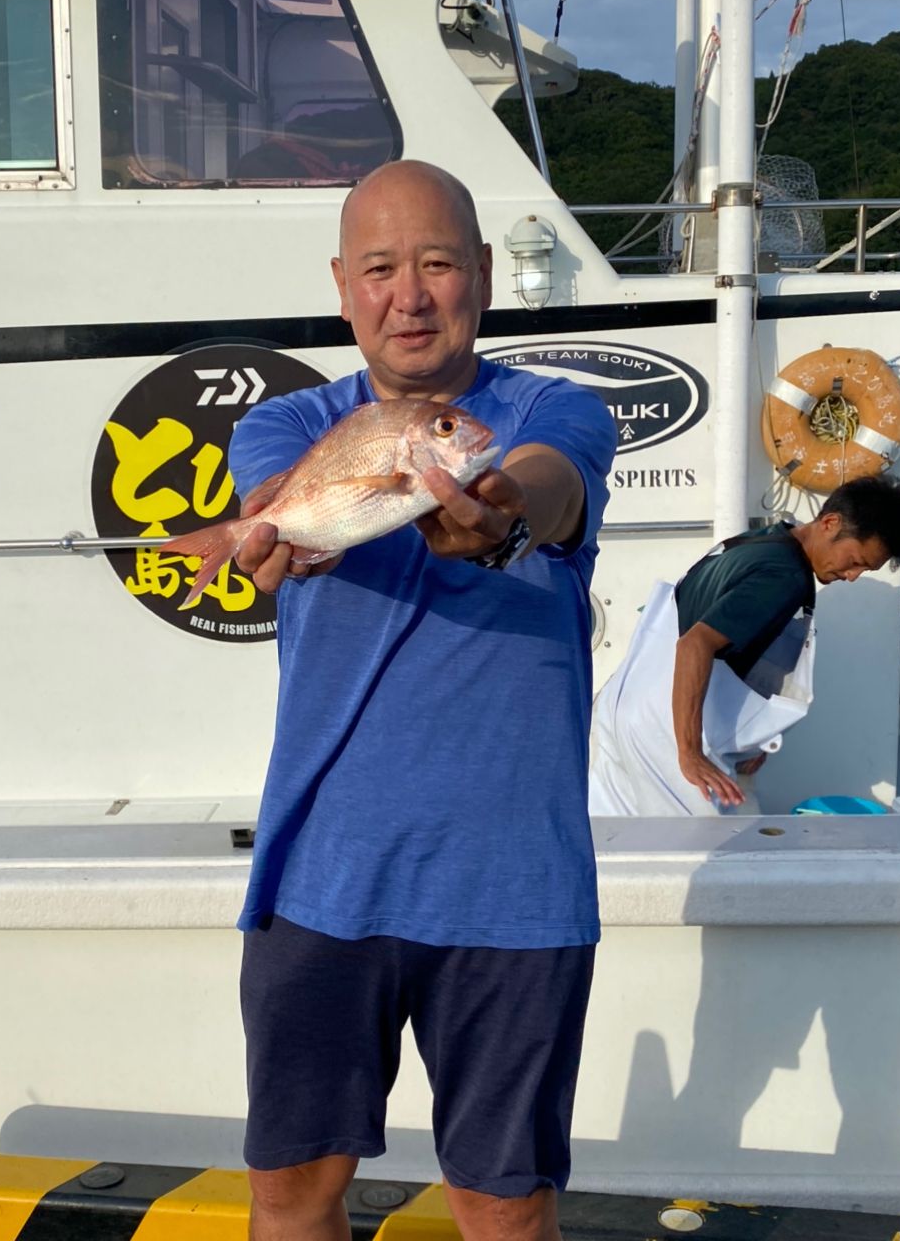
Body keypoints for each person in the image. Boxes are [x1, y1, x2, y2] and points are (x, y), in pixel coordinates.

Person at [227, 160, 617, 1241]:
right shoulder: (289, 422)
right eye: (382, 268)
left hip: (512, 883)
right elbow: (273, 501)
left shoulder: (552, 410)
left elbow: (550, 477)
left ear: (483, 277)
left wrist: (498, 515)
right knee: (293, 1189)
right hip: (321, 872)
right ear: (344, 287)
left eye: (437, 263)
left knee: (502, 1201)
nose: (410, 294)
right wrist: (275, 538)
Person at [590, 474, 900, 818]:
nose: (852, 575)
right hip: (664, 735)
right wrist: (689, 752)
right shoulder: (785, 577)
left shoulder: (758, 542)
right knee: (701, 859)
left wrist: (751, 741)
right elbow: (695, 644)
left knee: (618, 850)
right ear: (830, 522)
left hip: (622, 709)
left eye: (865, 570)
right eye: (855, 560)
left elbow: (736, 656)